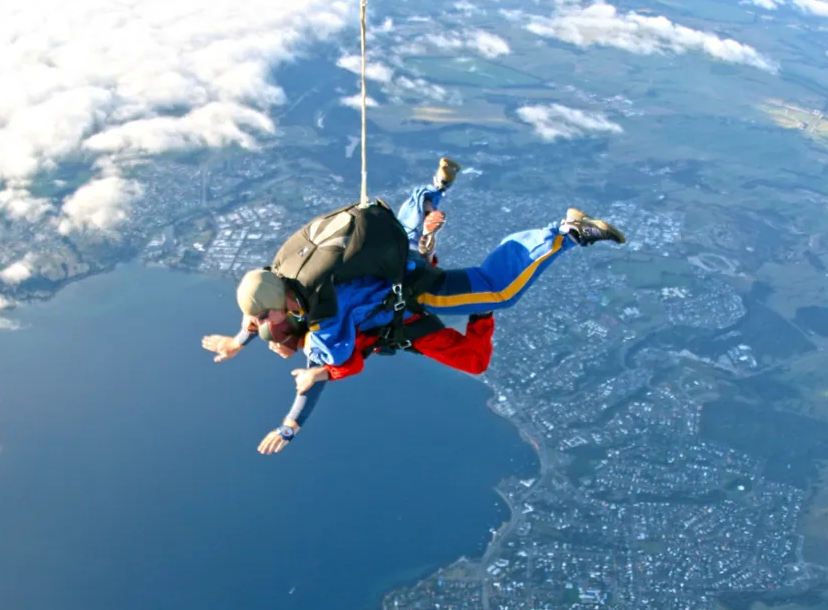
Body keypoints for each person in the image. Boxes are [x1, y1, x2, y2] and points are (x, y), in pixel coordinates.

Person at [202, 179, 625, 454]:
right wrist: (237, 342)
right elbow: (259, 315)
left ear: (286, 318)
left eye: (272, 332)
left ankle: (567, 232)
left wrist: (298, 412)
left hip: (412, 297)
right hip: (393, 276)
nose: (271, 337)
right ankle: (429, 194)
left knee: (498, 291)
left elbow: (341, 366)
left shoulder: (322, 325)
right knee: (406, 242)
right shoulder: (284, 272)